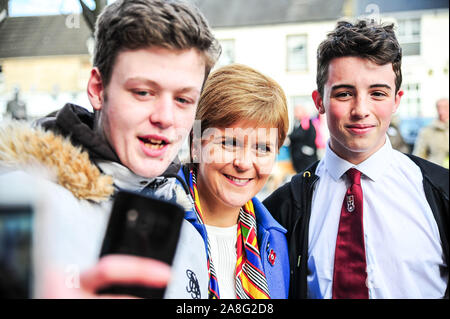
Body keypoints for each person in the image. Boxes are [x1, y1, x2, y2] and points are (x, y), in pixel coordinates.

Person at [0, 0, 220, 298]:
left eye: (183, 100)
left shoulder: (189, 233)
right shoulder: (18, 204)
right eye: (143, 92)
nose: (165, 118)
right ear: (97, 89)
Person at [263, 20, 449, 299]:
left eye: (377, 93)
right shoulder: (283, 207)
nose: (361, 109)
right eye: (344, 93)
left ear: (397, 100)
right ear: (319, 101)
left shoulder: (441, 192)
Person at [179, 64, 290, 299]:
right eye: (229, 143)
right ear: (196, 145)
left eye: (263, 148)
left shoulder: (275, 241)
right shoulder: (155, 220)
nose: (244, 163)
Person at [413, 98, 449, 168]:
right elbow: (419, 156)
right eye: (439, 107)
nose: (441, 111)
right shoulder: (427, 131)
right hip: (436, 172)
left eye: (445, 107)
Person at [288, 104, 318, 173]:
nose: (295, 113)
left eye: (297, 111)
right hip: (298, 157)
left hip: (305, 158)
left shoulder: (306, 122)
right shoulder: (297, 123)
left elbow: (302, 134)